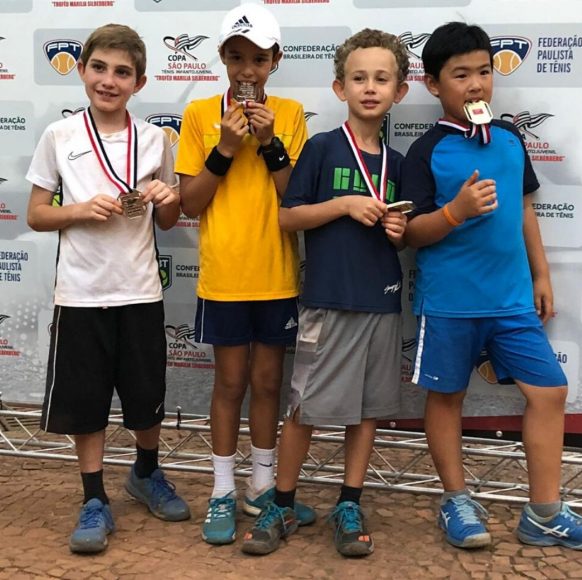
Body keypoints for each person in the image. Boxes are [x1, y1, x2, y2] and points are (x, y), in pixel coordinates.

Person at [403, 21, 582, 550]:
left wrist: (541, 274)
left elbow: (526, 209)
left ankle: (543, 512)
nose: (477, 84)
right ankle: (456, 499)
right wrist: (454, 212)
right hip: (449, 302)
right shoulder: (426, 151)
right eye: (461, 75)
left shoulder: (509, 137)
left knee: (550, 391)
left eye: (484, 71)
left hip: (512, 301)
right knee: (446, 397)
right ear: (434, 84)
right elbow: (411, 233)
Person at [241, 28, 410, 558]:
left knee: (367, 411)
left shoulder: (399, 163)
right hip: (328, 299)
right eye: (359, 78)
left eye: (381, 79)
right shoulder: (321, 147)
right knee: (305, 408)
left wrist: (398, 230)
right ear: (340, 88)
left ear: (400, 91)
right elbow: (288, 217)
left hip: (381, 300)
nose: (370, 87)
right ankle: (282, 503)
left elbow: (404, 232)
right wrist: (343, 205)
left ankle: (349, 503)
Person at [26, 23, 190, 554]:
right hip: (80, 293)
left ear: (138, 83)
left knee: (146, 396)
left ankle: (146, 472)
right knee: (87, 401)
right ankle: (94, 497)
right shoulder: (60, 136)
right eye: (99, 68)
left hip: (139, 290)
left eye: (122, 72)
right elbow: (35, 214)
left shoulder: (155, 139)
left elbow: (168, 219)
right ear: (82, 70)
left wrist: (169, 198)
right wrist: (77, 210)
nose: (109, 80)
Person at [175, 3, 315, 545]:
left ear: (275, 60)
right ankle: (221, 491)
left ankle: (261, 485)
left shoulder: (291, 114)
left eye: (258, 58)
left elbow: (294, 198)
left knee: (268, 383)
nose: (247, 70)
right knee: (230, 383)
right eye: (236, 57)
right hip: (225, 276)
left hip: (276, 275)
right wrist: (226, 149)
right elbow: (190, 203)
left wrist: (270, 143)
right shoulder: (199, 114)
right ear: (221, 58)